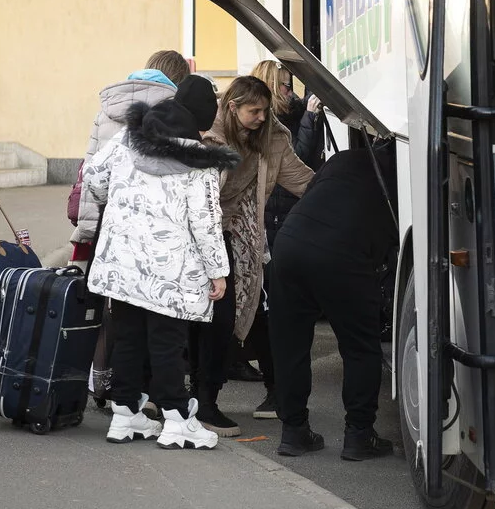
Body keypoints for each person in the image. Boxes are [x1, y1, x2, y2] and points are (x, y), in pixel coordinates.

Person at [83, 76, 239, 450]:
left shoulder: (128, 137)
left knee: (128, 337)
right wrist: (218, 271)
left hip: (123, 263)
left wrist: (116, 199)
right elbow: (206, 222)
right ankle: (178, 419)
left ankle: (125, 414)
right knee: (168, 342)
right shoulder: (200, 161)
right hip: (170, 269)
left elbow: (93, 176)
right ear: (203, 118)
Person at [195, 76, 316, 437]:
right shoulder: (206, 136)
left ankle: (209, 400)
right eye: (255, 111)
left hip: (238, 237)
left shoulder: (272, 139)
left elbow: (301, 179)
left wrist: (336, 190)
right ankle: (190, 400)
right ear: (232, 108)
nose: (262, 117)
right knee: (204, 320)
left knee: (234, 317)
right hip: (198, 236)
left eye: (265, 111)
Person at [268, 141, 398, 460]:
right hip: (343, 254)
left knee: (290, 346)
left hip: (289, 244)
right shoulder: (399, 176)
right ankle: (359, 435)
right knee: (359, 347)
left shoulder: (343, 159)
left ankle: (293, 432)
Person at [239, 61, 326, 415]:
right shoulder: (269, 131)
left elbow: (300, 171)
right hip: (268, 224)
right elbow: (299, 161)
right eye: (285, 85)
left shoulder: (276, 127)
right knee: (268, 310)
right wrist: (309, 120)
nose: (291, 91)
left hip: (273, 224)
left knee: (272, 310)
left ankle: (278, 391)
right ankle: (277, 392)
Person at [70, 50, 192, 258]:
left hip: (106, 217)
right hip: (151, 225)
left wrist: (90, 223)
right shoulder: (175, 114)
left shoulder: (108, 108)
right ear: (181, 80)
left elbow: (91, 165)